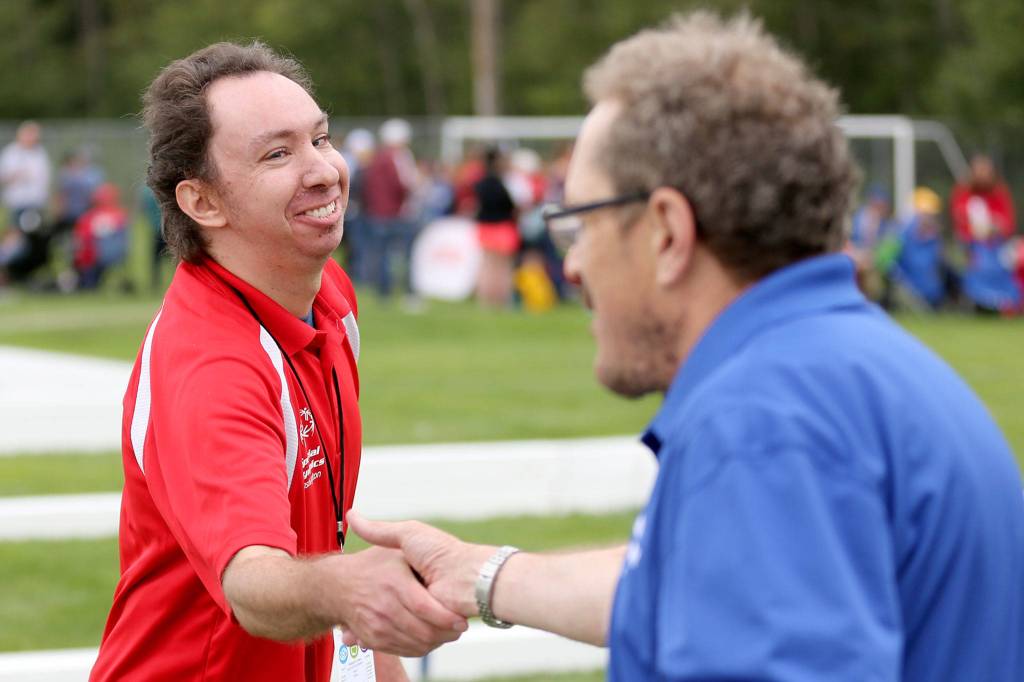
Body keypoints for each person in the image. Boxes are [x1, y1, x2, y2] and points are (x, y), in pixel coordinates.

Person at [348, 13, 1024, 681]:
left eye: (579, 222)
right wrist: (487, 575)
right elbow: (694, 590)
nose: (573, 266)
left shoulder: (763, 422)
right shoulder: (848, 364)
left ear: (667, 230)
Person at [90, 42, 466, 682]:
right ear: (202, 202)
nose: (323, 170)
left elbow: (322, 541)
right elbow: (254, 583)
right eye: (277, 154)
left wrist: (372, 651)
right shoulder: (211, 366)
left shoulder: (327, 294)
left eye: (321, 138)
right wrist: (354, 587)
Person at [473, 147, 519, 306]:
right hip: (502, 227)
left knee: (487, 264)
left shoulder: (480, 184)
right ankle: (503, 299)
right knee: (503, 266)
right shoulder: (501, 184)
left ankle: (485, 300)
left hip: (485, 227)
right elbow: (510, 205)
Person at [72, 182, 129, 290]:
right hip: (112, 255)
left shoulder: (89, 217)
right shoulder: (121, 215)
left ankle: (88, 283)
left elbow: (81, 239)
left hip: (96, 256)